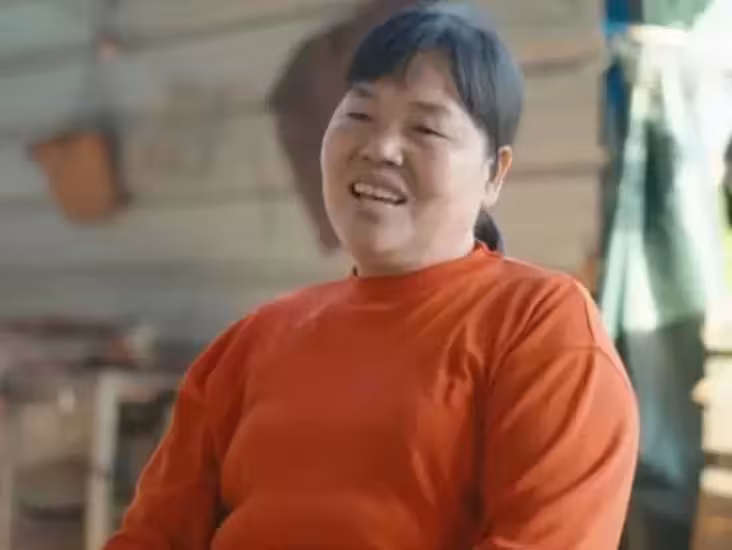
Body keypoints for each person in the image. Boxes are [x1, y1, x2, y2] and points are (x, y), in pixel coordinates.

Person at [104, 3, 639, 549]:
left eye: (426, 128)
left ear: (493, 175)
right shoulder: (250, 344)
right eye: (359, 115)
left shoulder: (542, 330)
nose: (380, 148)